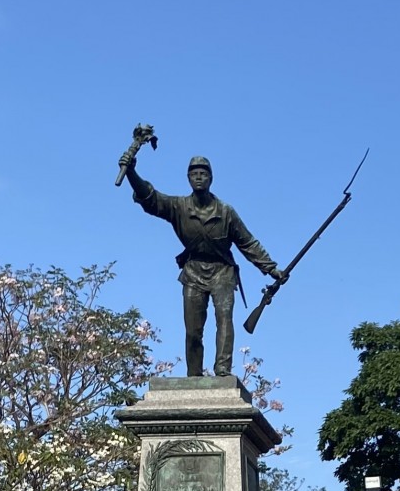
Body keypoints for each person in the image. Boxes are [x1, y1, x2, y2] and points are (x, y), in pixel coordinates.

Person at [119, 152, 287, 377]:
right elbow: (150, 198)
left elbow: (248, 243)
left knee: (224, 318)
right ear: (188, 178)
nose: (198, 177)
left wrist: (271, 268)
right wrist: (131, 172)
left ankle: (223, 370)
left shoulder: (226, 212)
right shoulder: (178, 206)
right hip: (193, 272)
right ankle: (194, 374)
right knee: (193, 330)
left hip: (222, 271)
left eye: (203, 174)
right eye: (194, 174)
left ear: (211, 179)